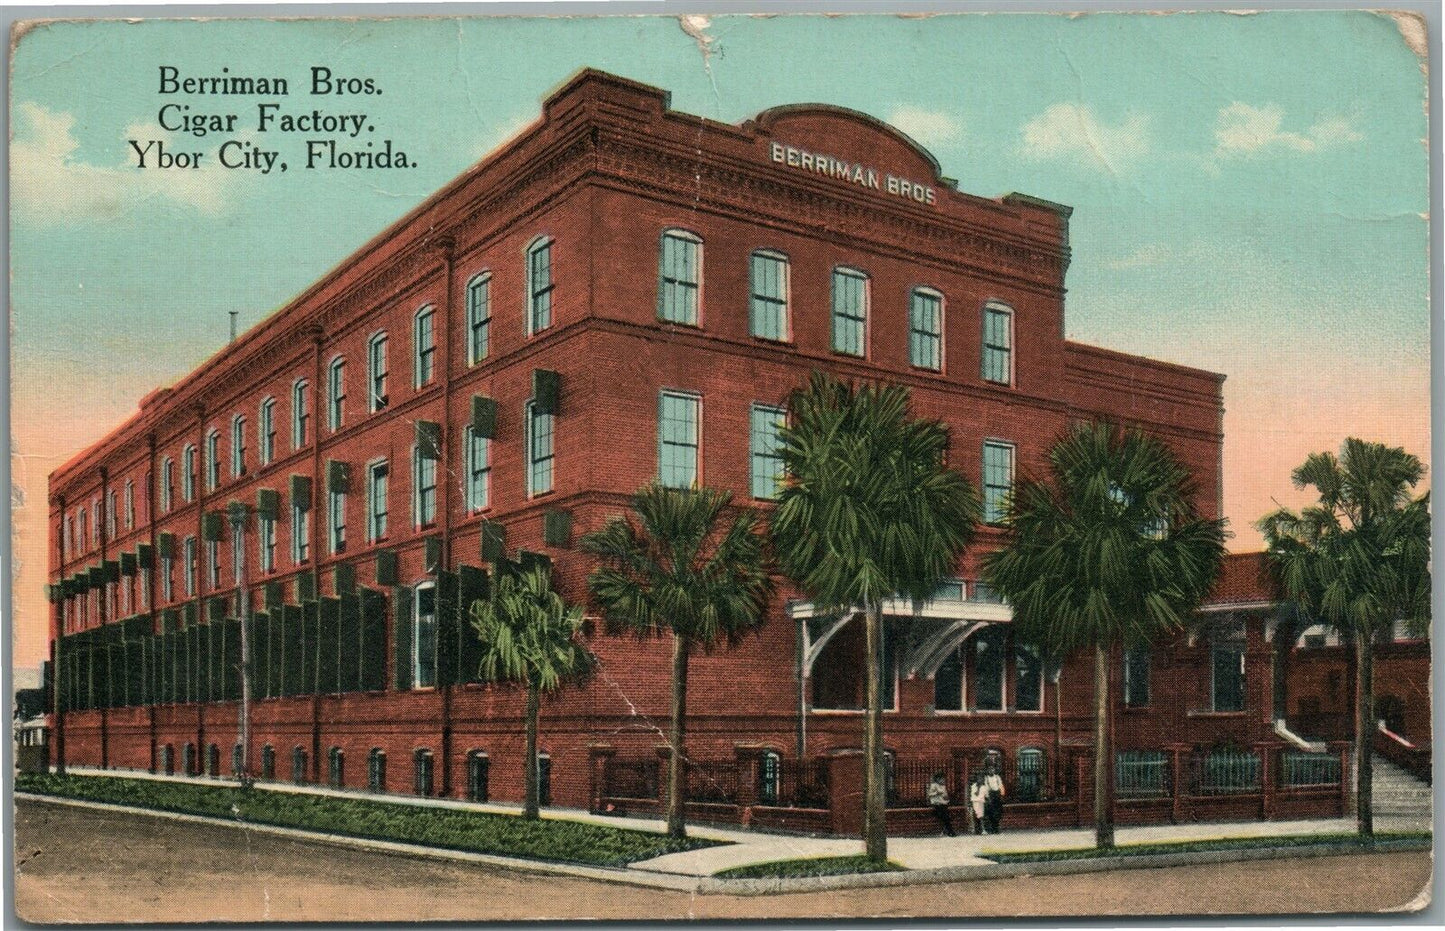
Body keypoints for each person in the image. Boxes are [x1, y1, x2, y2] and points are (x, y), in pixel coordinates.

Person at [927, 772, 955, 836]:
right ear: (937, 779)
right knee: (945, 817)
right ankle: (950, 831)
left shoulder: (943, 786)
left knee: (946, 817)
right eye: (942, 779)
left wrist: (946, 797)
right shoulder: (933, 785)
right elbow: (929, 794)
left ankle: (948, 831)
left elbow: (945, 795)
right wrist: (937, 793)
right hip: (936, 803)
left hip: (943, 803)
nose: (943, 780)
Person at [983, 758, 1006, 834]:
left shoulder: (997, 777)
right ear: (987, 770)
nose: (991, 771)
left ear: (994, 770)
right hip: (991, 796)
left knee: (998, 812)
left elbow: (1001, 786)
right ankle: (992, 828)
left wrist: (1002, 795)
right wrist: (988, 797)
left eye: (992, 769)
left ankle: (996, 828)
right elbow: (986, 788)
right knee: (991, 813)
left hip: (997, 795)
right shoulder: (986, 778)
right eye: (989, 769)